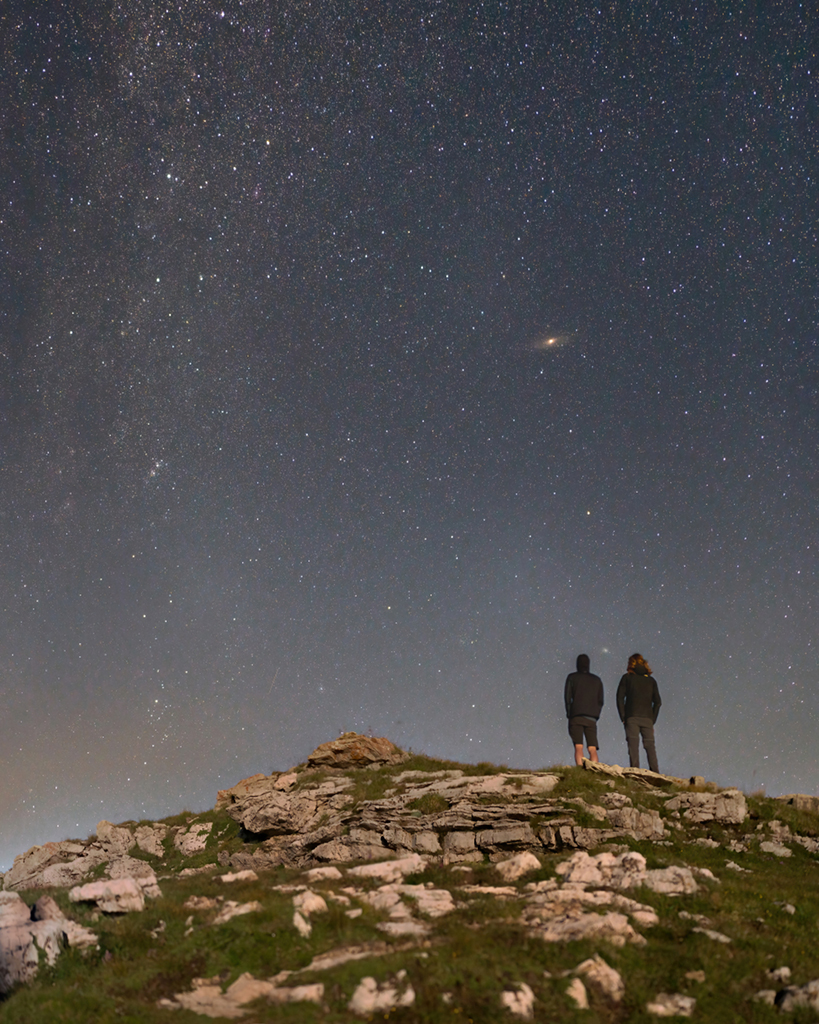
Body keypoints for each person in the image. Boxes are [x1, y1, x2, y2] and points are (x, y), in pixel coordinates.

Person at [616, 653, 662, 772]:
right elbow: (658, 702)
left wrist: (623, 716)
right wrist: (652, 720)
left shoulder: (627, 678)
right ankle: (655, 773)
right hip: (647, 718)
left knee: (633, 746)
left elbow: (620, 698)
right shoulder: (651, 681)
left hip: (632, 717)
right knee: (650, 746)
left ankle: (635, 772)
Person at [564, 653, 604, 766]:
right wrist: (596, 714)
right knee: (592, 748)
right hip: (591, 718)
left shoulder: (572, 677)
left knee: (578, 746)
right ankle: (594, 770)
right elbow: (600, 700)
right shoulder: (597, 680)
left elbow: (567, 697)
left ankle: (580, 768)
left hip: (576, 715)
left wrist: (569, 713)